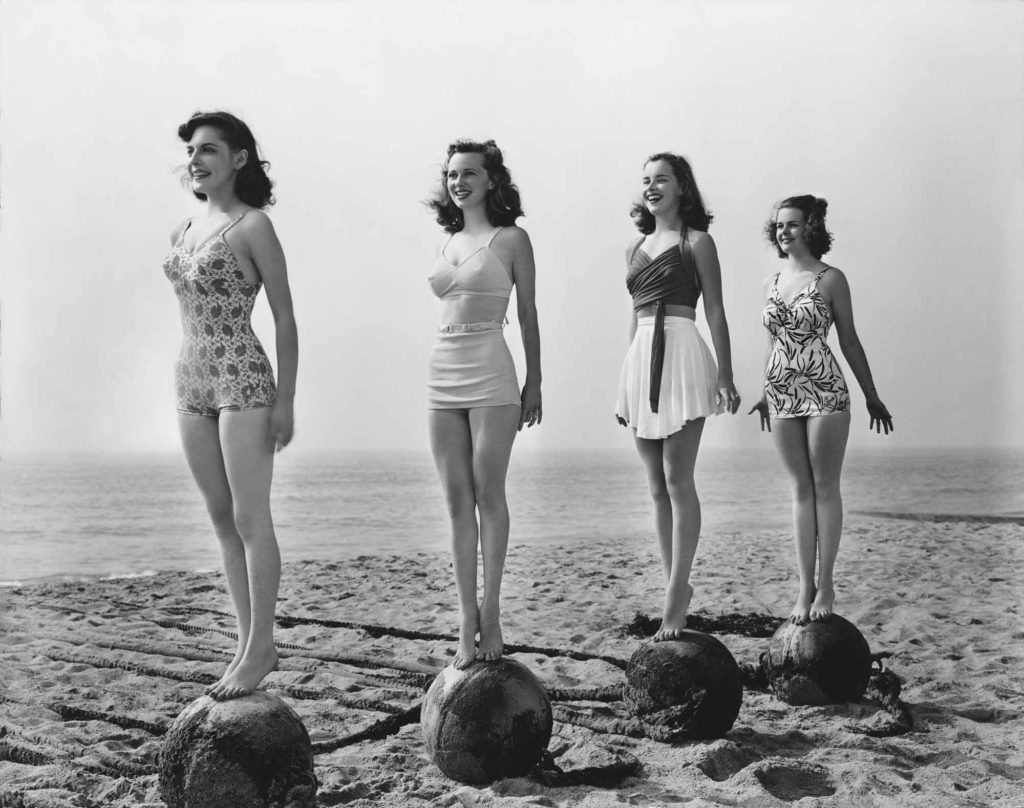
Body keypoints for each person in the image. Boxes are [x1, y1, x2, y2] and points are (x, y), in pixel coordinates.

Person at [163, 110, 298, 699]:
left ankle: (262, 644)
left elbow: (286, 318)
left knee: (250, 517)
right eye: (192, 151)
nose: (196, 159)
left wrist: (287, 401)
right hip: (191, 379)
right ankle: (247, 646)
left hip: (242, 376)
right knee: (221, 519)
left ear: (239, 159)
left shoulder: (253, 226)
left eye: (208, 149)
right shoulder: (182, 230)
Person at [615, 152, 740, 642]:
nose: (650, 187)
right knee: (653, 485)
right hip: (643, 356)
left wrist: (726, 374)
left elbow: (717, 312)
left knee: (677, 478)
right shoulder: (634, 246)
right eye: (645, 179)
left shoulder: (698, 243)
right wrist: (627, 377)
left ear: (681, 187)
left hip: (684, 351)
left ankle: (675, 594)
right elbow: (634, 317)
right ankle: (674, 586)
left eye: (660, 179)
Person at [750, 195, 893, 624]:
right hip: (780, 393)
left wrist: (870, 393)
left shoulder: (831, 279)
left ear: (811, 228)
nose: (784, 231)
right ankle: (804, 587)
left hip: (825, 389)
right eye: (778, 226)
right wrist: (763, 390)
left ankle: (826, 583)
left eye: (792, 224)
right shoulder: (770, 282)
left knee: (825, 487)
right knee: (799, 490)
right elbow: (773, 343)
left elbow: (848, 339)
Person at [426, 139, 541, 669]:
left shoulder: (512, 238)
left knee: (487, 493)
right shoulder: (447, 240)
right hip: (442, 372)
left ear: (491, 179)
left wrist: (534, 383)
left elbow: (529, 314)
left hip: (493, 371)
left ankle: (491, 612)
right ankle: (465, 619)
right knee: (455, 502)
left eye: (470, 173)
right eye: (452, 174)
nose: (459, 181)